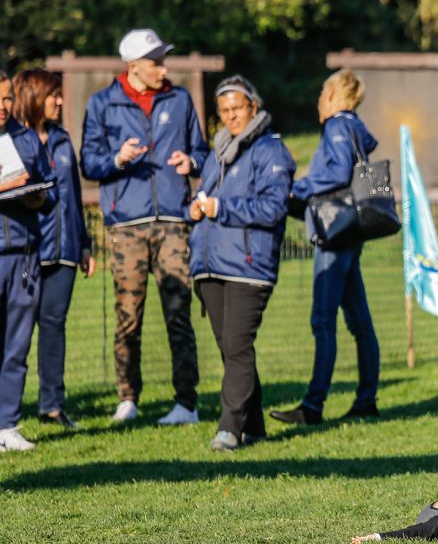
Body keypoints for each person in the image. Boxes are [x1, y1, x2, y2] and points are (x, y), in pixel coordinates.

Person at [81, 29, 207, 424]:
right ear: (133, 66)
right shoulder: (103, 104)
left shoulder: (180, 98)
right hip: (127, 225)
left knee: (178, 313)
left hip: (173, 222)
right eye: (155, 62)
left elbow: (201, 150)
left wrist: (193, 163)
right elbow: (89, 162)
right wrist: (117, 159)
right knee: (128, 315)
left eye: (163, 60)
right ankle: (127, 398)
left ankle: (186, 403)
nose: (163, 68)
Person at [188, 76, 295, 451]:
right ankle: (254, 425)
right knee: (231, 349)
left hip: (249, 266)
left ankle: (229, 428)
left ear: (253, 106)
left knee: (236, 345)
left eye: (238, 108)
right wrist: (197, 209)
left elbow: (273, 207)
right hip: (211, 263)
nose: (232, 115)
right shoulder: (216, 152)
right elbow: (209, 198)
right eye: (224, 110)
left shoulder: (271, 151)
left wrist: (220, 208)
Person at [269, 70, 381, 425]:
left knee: (323, 321)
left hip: (335, 233)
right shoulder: (354, 127)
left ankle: (313, 406)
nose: (318, 99)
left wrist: (296, 190)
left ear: (332, 93)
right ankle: (365, 400)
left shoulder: (336, 126)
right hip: (351, 232)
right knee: (360, 322)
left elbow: (335, 174)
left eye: (321, 92)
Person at [12, 69, 95, 429]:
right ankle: (8, 411)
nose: (59, 101)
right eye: (53, 95)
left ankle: (52, 405)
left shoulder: (62, 140)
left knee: (54, 326)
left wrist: (86, 244)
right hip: (27, 250)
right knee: (15, 332)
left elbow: (75, 198)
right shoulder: (13, 141)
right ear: (33, 96)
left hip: (65, 250)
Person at [0, 70, 59, 451]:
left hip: (22, 256)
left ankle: (6, 425)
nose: (2, 107)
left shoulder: (24, 139)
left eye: (6, 99)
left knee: (16, 345)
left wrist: (37, 197)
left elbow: (49, 190)